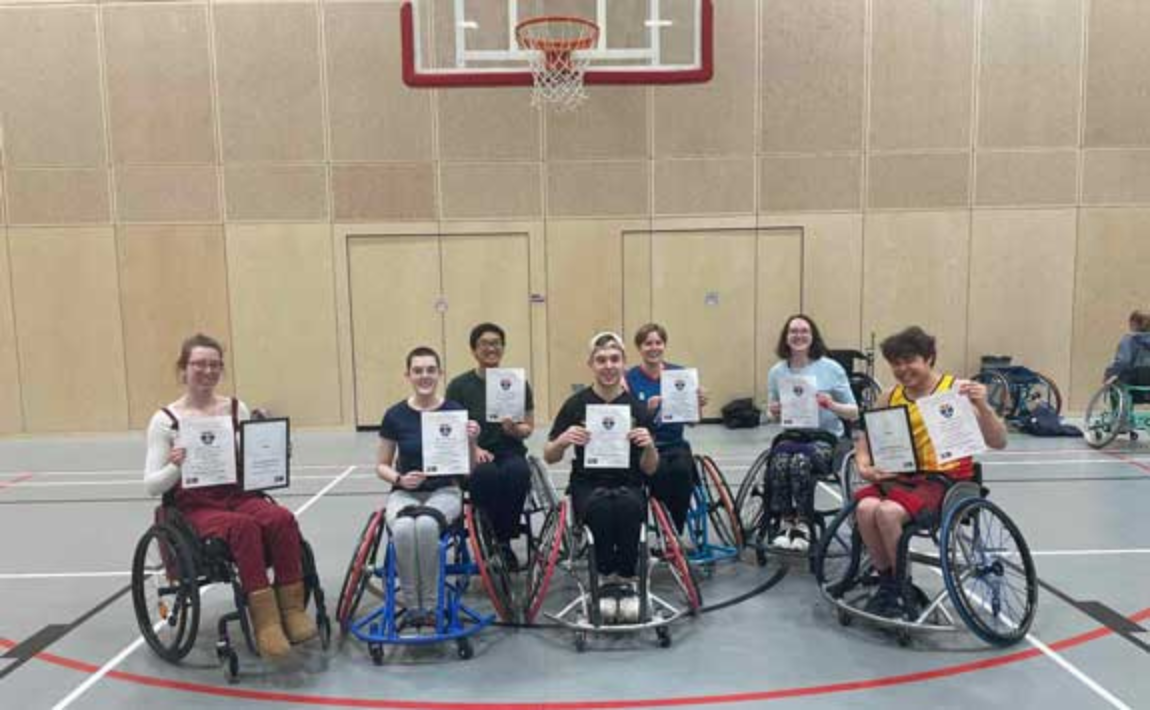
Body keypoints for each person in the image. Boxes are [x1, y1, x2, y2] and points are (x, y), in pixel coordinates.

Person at [143, 334, 317, 659]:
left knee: (281, 519)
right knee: (242, 528)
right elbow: (152, 485)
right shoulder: (165, 421)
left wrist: (275, 454)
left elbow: (252, 463)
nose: (207, 370)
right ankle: (265, 623)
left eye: (214, 364)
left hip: (237, 494)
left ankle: (292, 610)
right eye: (199, 364)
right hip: (194, 504)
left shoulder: (237, 408)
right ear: (184, 369)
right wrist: (176, 467)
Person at [852, 326, 1007, 618]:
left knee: (886, 513)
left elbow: (998, 441)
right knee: (865, 507)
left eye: (909, 360)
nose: (902, 368)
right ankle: (887, 584)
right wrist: (863, 464)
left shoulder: (956, 391)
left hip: (946, 482)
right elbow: (866, 439)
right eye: (896, 362)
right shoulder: (889, 397)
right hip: (902, 478)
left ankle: (902, 586)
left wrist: (983, 406)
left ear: (929, 358)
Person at [544, 332, 658, 624]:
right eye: (601, 360)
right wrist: (563, 441)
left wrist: (649, 445)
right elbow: (549, 456)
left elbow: (650, 468)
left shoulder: (636, 407)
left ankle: (627, 575)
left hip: (629, 481)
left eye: (614, 359)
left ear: (623, 363)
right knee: (600, 507)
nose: (608, 366)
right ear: (591, 364)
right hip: (588, 483)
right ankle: (607, 576)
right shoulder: (575, 404)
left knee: (630, 506)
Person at [376, 346, 479, 627]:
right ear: (408, 374)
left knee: (425, 526)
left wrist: (472, 440)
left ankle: (430, 605)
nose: (425, 376)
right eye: (418, 370)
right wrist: (399, 479)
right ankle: (413, 605)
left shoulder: (455, 411)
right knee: (404, 528)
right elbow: (381, 465)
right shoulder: (394, 415)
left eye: (430, 370)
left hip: (444, 490)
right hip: (405, 491)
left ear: (440, 373)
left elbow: (468, 468)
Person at [765, 315, 858, 551]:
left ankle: (804, 524)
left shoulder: (831, 368)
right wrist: (773, 411)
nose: (799, 336)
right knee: (779, 461)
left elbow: (854, 412)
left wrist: (832, 405)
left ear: (813, 335)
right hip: (792, 436)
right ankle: (787, 522)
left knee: (799, 462)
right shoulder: (777, 372)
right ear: (786, 337)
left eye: (804, 331)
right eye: (793, 331)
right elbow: (771, 413)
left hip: (825, 437)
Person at [445, 323, 534, 569]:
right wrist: (473, 447)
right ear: (474, 350)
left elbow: (529, 427)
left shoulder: (517, 383)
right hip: (473, 452)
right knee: (486, 475)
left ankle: (503, 542)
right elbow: (450, 427)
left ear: (503, 348)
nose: (491, 348)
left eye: (496, 343)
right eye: (484, 344)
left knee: (518, 473)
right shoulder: (459, 386)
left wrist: (515, 430)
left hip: (509, 450)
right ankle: (487, 539)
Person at [624, 323, 708, 534]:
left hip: (674, 444)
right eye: (648, 343)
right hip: (645, 445)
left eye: (658, 343)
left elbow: (694, 422)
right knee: (659, 473)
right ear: (639, 348)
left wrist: (698, 404)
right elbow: (628, 422)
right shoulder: (629, 378)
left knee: (681, 472)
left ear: (664, 345)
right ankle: (663, 528)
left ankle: (675, 531)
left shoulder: (680, 375)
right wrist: (648, 411)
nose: (654, 348)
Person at [1104, 310, 1150, 384]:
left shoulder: (1129, 340)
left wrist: (1108, 374)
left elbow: (1123, 362)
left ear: (1134, 323)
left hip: (1131, 384)